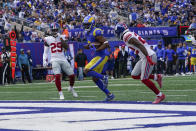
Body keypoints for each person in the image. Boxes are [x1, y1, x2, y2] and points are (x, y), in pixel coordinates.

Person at [115, 22, 164, 104]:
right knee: (134, 74)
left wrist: (147, 57)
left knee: (144, 79)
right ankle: (156, 77)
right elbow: (138, 46)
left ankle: (160, 95)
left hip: (148, 55)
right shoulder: (128, 34)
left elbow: (139, 45)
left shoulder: (126, 36)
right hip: (144, 56)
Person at [82, 15, 114, 101]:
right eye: (84, 25)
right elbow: (93, 44)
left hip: (102, 55)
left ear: (92, 24)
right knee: (95, 78)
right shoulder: (87, 33)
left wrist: (98, 49)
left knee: (86, 70)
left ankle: (104, 77)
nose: (85, 26)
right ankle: (109, 94)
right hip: (98, 55)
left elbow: (106, 43)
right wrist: (88, 46)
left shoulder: (96, 31)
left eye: (87, 24)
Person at [43, 25, 78, 100]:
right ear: (51, 31)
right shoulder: (48, 39)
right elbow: (45, 52)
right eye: (53, 30)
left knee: (72, 75)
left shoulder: (62, 37)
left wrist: (60, 38)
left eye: (56, 30)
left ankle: (71, 88)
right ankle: (60, 93)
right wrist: (44, 60)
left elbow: (66, 47)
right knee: (57, 76)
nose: (55, 31)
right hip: (54, 59)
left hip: (63, 59)